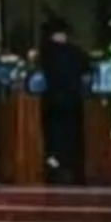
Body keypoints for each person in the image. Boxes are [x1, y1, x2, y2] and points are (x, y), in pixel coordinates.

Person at [37, 21, 93, 186]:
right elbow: (87, 69)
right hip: (73, 101)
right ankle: (77, 173)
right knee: (74, 138)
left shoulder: (46, 53)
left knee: (52, 139)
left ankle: (53, 172)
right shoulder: (76, 53)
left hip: (52, 101)